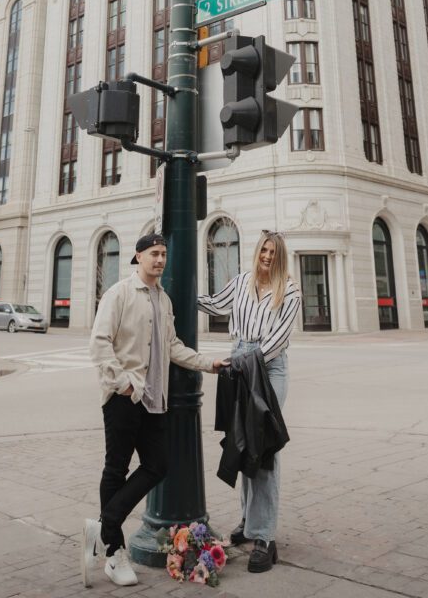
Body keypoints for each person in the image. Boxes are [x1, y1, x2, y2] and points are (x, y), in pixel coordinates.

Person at [83, 232, 228, 588]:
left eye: (163, 254)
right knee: (116, 469)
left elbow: (174, 346)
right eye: (153, 254)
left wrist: (209, 363)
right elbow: (99, 342)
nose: (160, 260)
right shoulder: (118, 293)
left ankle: (103, 527)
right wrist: (124, 384)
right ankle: (114, 554)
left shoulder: (163, 300)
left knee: (157, 465)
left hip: (154, 401)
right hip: (124, 397)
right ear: (138, 257)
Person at [197, 230, 300, 573]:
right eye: (264, 250)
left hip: (268, 368)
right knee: (243, 446)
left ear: (280, 256)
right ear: (257, 252)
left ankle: (265, 537)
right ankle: (249, 523)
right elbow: (214, 304)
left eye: (274, 252)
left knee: (263, 448)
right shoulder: (241, 281)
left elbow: (278, 339)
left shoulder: (290, 289)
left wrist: (246, 363)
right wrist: (181, 294)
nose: (268, 256)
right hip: (240, 359)